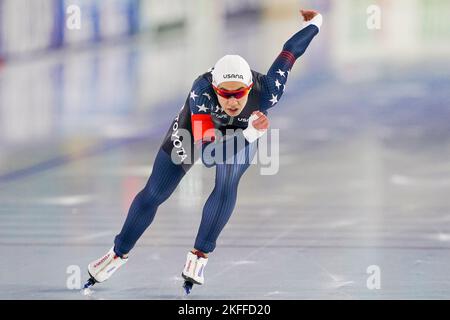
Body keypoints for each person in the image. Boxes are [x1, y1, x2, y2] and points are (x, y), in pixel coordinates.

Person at [83, 9, 322, 295]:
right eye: (226, 93)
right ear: (214, 88)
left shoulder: (268, 90)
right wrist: (250, 132)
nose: (233, 101)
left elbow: (291, 52)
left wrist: (315, 23)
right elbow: (209, 156)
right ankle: (117, 253)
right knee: (156, 193)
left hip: (242, 133)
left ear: (250, 87)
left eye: (239, 93)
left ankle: (199, 255)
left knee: (228, 181)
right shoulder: (202, 93)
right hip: (197, 129)